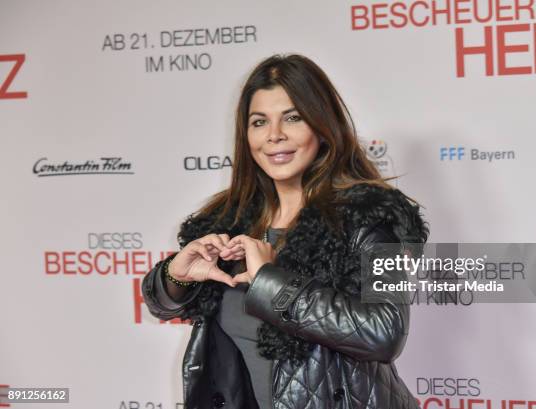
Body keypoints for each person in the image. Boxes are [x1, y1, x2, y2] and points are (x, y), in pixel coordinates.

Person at [142, 53, 428, 409]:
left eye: (292, 118)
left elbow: (385, 332)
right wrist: (175, 277)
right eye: (259, 122)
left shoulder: (372, 216)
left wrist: (269, 281)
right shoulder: (227, 221)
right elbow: (163, 305)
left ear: (322, 126)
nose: (274, 136)